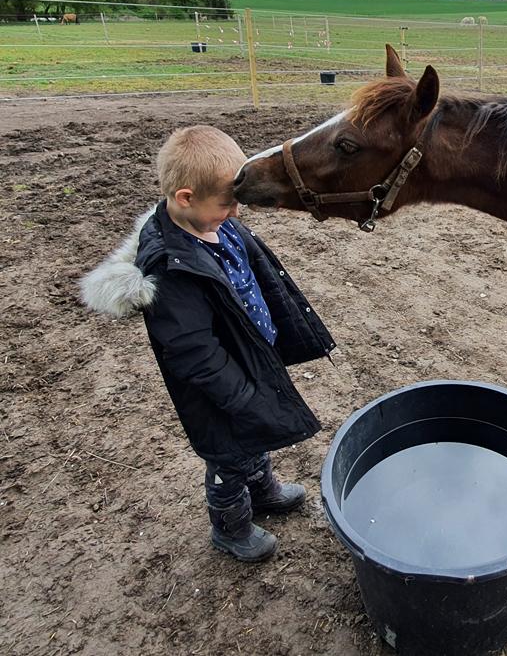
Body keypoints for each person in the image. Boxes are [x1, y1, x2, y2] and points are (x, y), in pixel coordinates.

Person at [81, 125, 335, 562]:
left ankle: (264, 490)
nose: (236, 211)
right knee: (228, 456)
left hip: (250, 359)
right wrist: (241, 395)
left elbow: (257, 273)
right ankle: (230, 526)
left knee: (254, 436)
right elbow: (193, 352)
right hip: (219, 388)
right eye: (227, 202)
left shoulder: (217, 223)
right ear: (184, 197)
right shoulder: (171, 269)